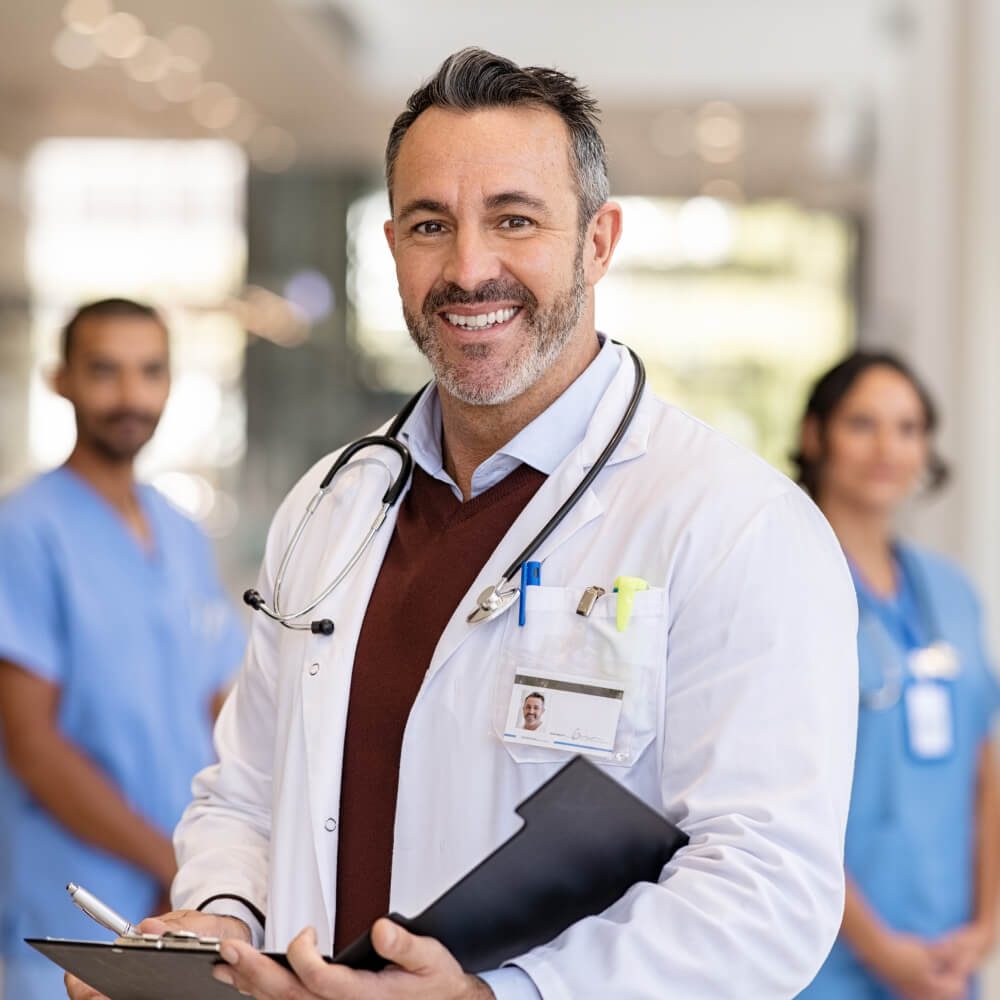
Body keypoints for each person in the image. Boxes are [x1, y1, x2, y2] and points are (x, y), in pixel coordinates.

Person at [68, 49, 857, 1000]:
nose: (469, 268)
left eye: (514, 220)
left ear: (598, 241)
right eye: (430, 225)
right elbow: (245, 789)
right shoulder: (333, 503)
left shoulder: (736, 525)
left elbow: (767, 887)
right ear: (393, 246)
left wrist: (507, 995)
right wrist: (222, 924)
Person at [0, 298, 246, 999]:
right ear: (61, 381)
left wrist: (222, 863)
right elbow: (32, 746)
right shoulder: (26, 532)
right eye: (105, 371)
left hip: (182, 912)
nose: (131, 395)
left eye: (150, 371)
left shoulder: (181, 533)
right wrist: (168, 859)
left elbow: (220, 709)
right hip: (73, 910)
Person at [793, 351, 1000, 1000]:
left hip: (945, 956)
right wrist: (885, 954)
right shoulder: (785, 584)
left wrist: (986, 927)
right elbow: (778, 795)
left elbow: (985, 766)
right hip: (824, 958)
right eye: (863, 424)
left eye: (909, 428)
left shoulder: (951, 589)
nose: (888, 447)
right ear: (814, 436)